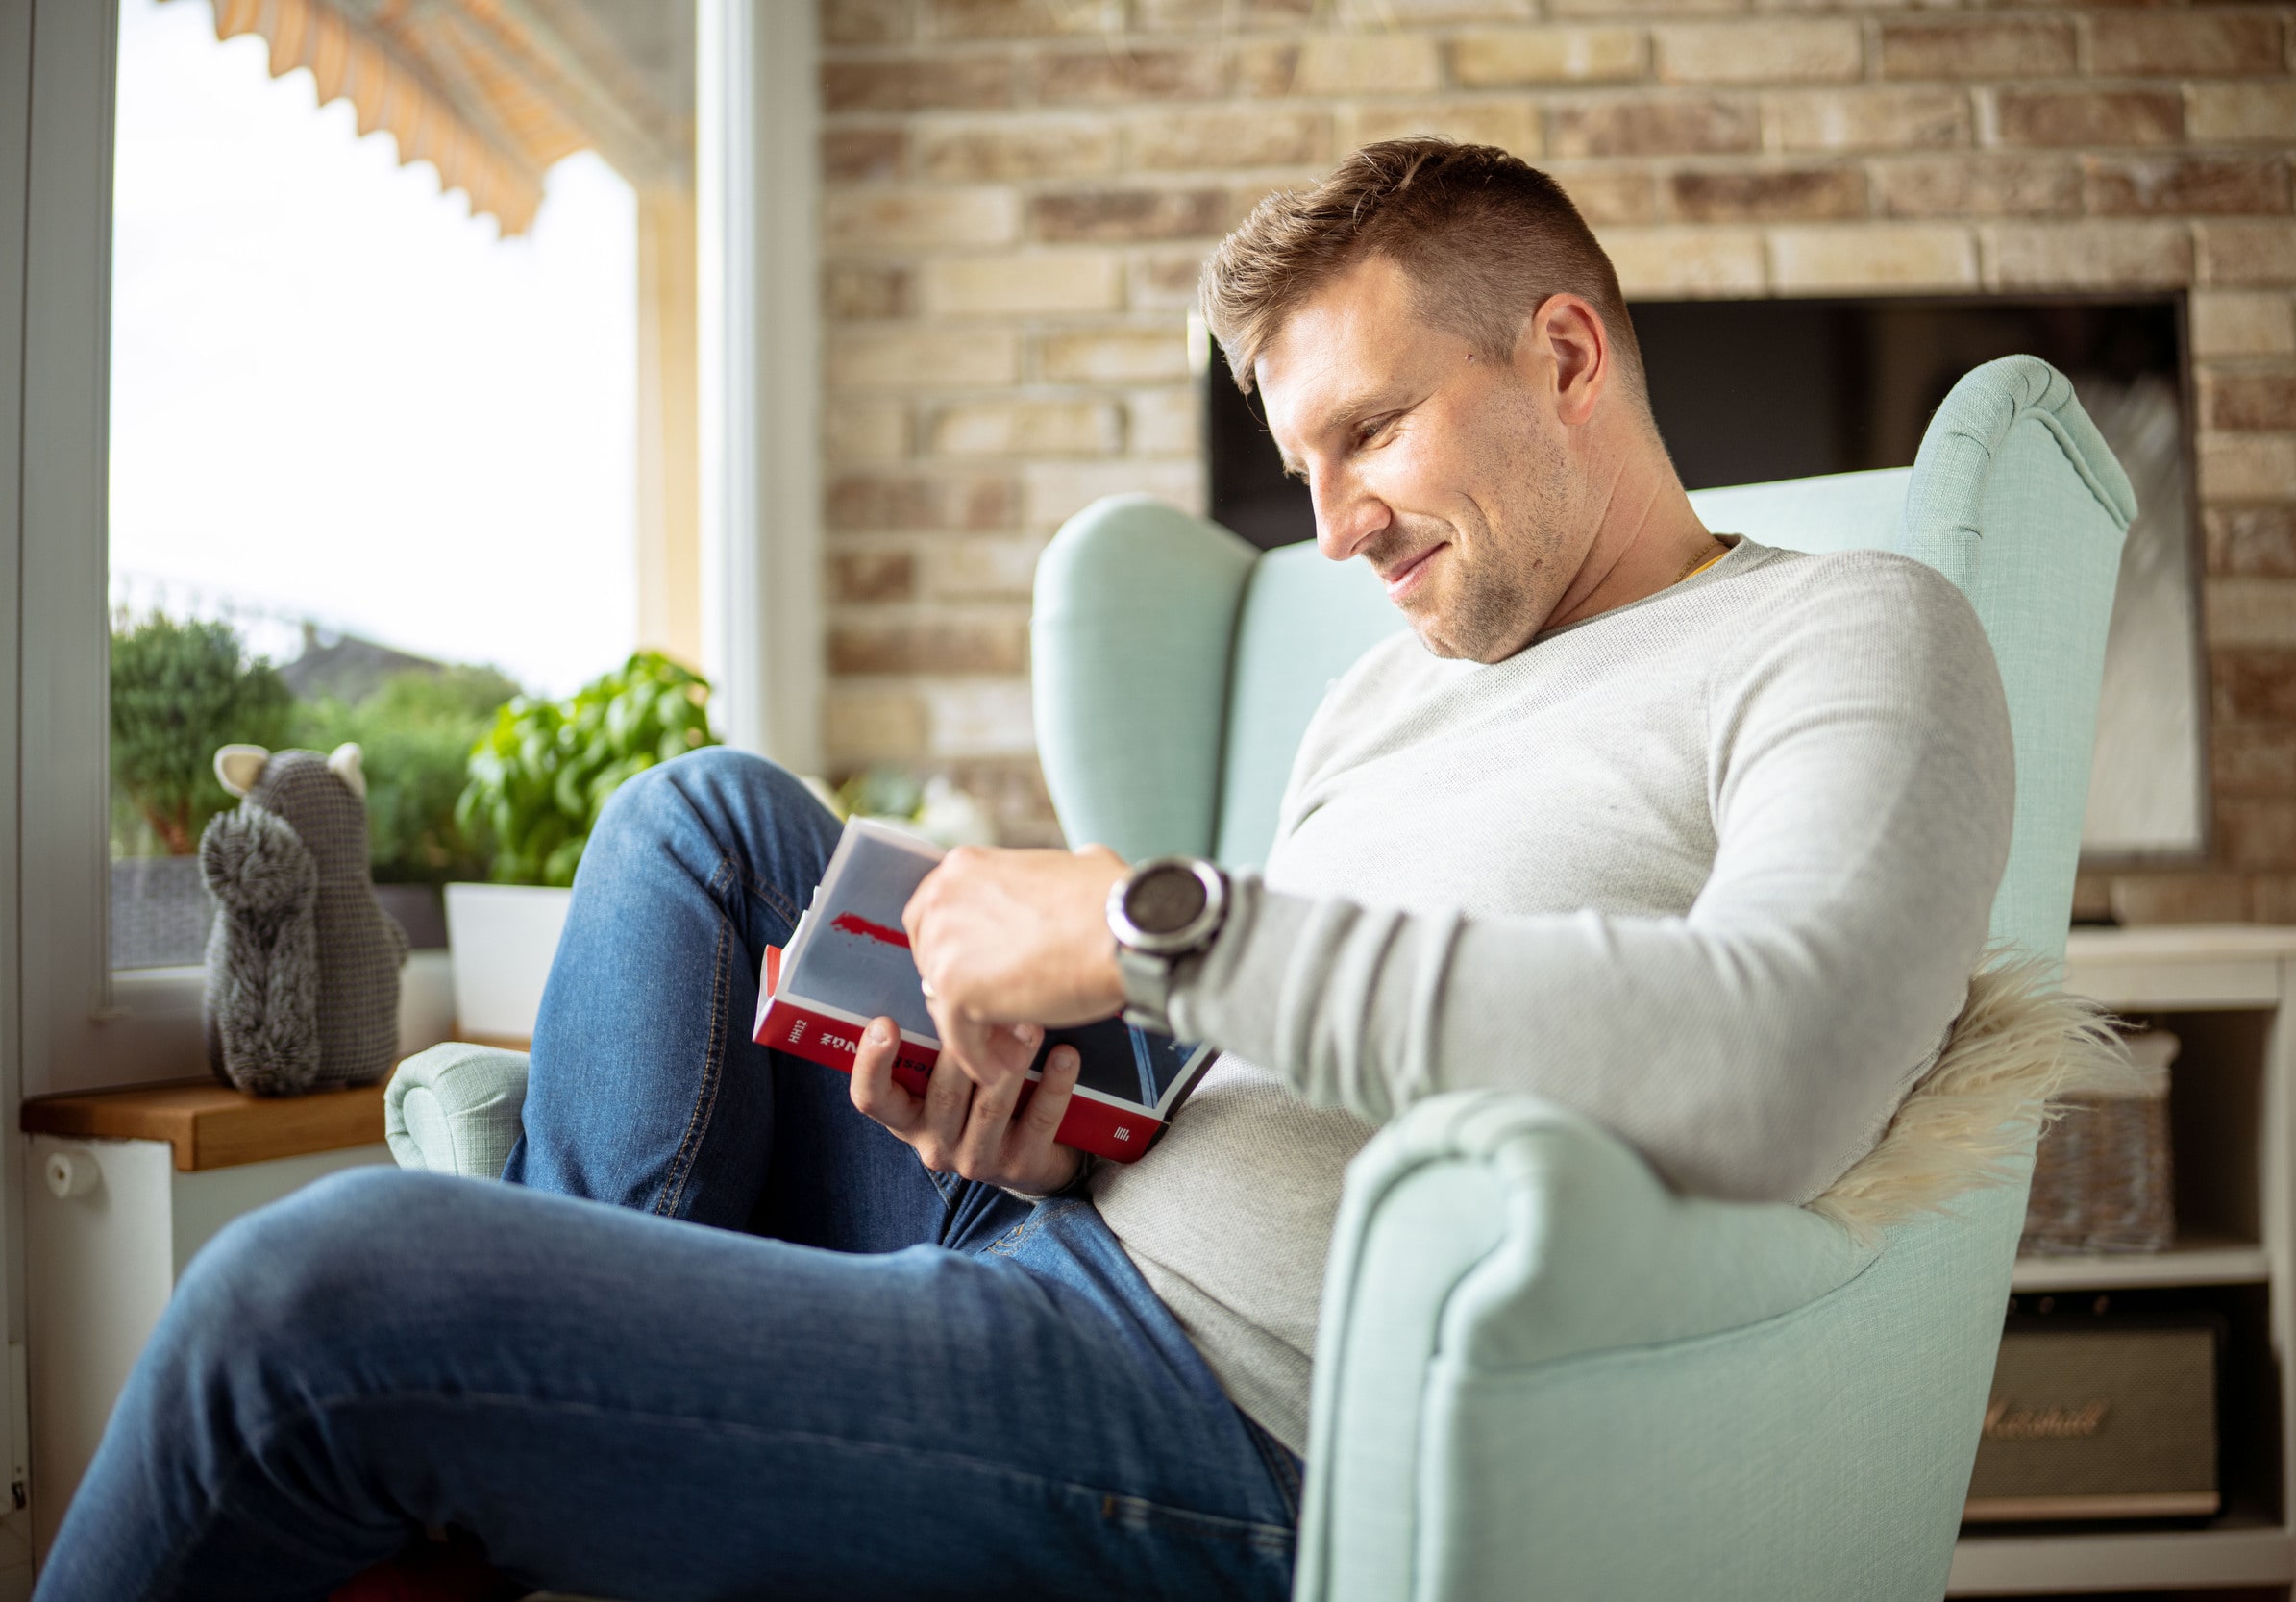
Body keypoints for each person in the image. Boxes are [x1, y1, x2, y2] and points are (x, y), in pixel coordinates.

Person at [37, 138, 2012, 1601]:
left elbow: (1783, 1067)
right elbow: (1274, 1066)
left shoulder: (1853, 634)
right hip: (1060, 1232)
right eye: (1299, 466)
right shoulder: (1403, 691)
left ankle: (534, 1446)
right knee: (696, 821)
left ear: (1565, 352)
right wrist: (1052, 1125)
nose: (1331, 530)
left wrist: (1150, 918)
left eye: (1370, 434)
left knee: (309, 1297)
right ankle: (594, 1415)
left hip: (1210, 1414)